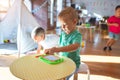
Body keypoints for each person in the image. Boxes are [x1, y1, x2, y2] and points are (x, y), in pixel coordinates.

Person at [44, 7, 82, 80]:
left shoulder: (77, 35)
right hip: (62, 60)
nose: (62, 27)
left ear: (74, 22)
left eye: (65, 24)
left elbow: (74, 47)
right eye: (61, 25)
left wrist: (57, 50)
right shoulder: (63, 34)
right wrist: (51, 49)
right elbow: (60, 45)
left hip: (73, 63)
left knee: (61, 76)